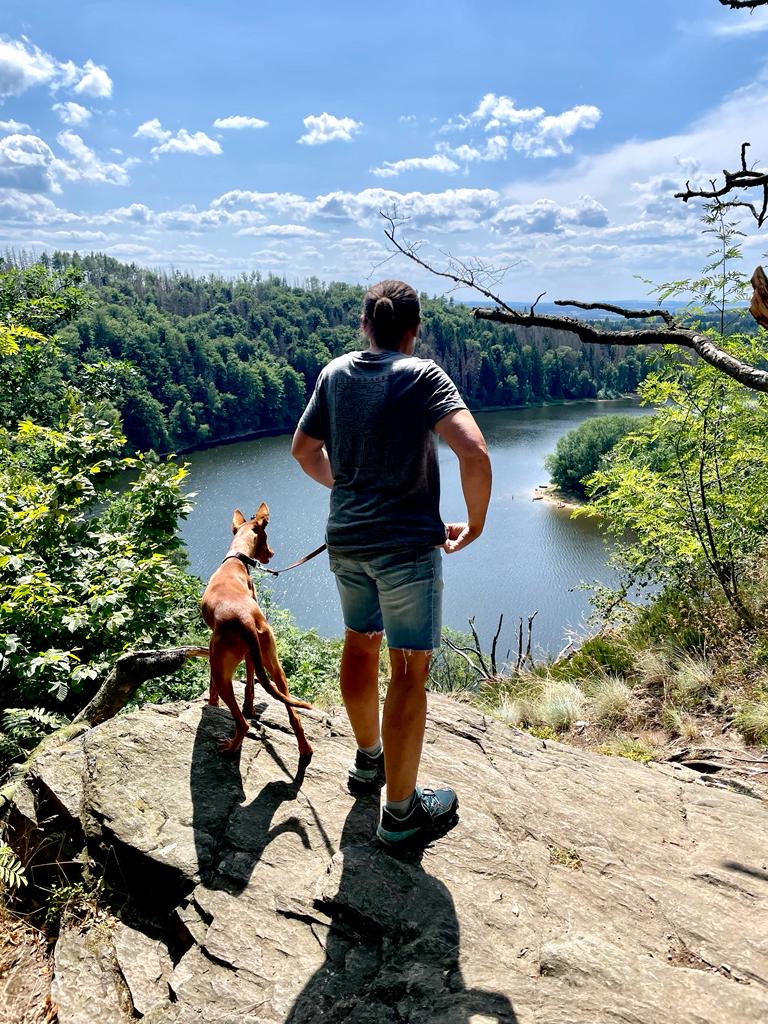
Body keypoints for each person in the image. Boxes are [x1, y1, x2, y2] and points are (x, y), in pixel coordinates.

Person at [291, 279, 491, 849]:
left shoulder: (334, 374)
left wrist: (349, 487)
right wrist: (475, 523)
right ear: (413, 329)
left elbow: (303, 450)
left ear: (366, 325)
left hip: (348, 541)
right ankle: (401, 815)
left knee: (360, 643)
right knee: (407, 670)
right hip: (406, 549)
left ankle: (368, 759)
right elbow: (473, 451)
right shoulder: (423, 375)